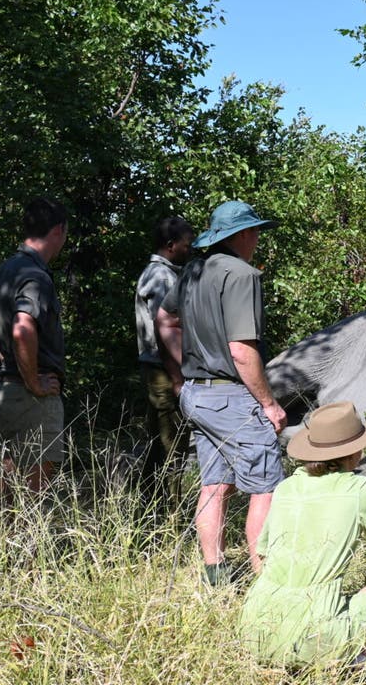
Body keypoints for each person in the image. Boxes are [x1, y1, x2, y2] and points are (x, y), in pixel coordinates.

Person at [240, 401, 366, 667]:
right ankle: (356, 663)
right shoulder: (360, 489)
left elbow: (260, 561)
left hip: (254, 631)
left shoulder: (285, 488)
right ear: (355, 451)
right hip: (314, 639)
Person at [156, 200, 285, 584]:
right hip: (231, 395)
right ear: (242, 234)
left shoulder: (194, 269)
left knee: (215, 483)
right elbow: (241, 351)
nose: (259, 238)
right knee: (267, 487)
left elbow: (164, 318)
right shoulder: (242, 275)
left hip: (196, 394)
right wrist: (269, 403)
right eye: (256, 231)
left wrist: (184, 366)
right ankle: (269, 586)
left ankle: (216, 576)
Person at [0, 197, 69, 494]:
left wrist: (5, 360)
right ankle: (22, 542)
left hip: (7, 391)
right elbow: (22, 328)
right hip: (29, 398)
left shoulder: (7, 270)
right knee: (33, 494)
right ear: (59, 230)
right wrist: (33, 382)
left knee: (9, 486)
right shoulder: (35, 276)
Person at [134, 216, 195, 494]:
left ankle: (148, 511)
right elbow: (164, 327)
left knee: (159, 443)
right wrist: (177, 377)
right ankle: (171, 515)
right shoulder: (161, 277)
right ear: (171, 245)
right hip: (163, 370)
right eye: (187, 243)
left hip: (161, 369)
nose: (190, 248)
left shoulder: (165, 273)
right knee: (172, 445)